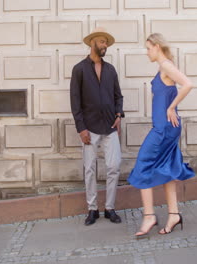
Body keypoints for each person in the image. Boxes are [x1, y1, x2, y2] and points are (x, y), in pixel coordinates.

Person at [127, 33, 195, 237]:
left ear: (157, 47)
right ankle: (173, 214)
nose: (147, 52)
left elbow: (188, 84)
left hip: (163, 129)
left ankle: (149, 216)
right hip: (166, 127)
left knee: (142, 166)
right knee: (167, 168)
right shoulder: (163, 67)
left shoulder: (165, 65)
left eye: (148, 48)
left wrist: (172, 107)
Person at [70, 27, 124, 226]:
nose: (105, 46)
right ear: (92, 42)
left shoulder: (110, 70)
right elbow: (75, 101)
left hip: (110, 126)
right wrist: (81, 128)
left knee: (114, 166)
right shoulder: (79, 69)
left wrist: (119, 114)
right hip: (89, 127)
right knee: (90, 169)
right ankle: (92, 209)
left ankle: (110, 208)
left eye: (106, 43)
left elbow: (118, 96)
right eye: (102, 42)